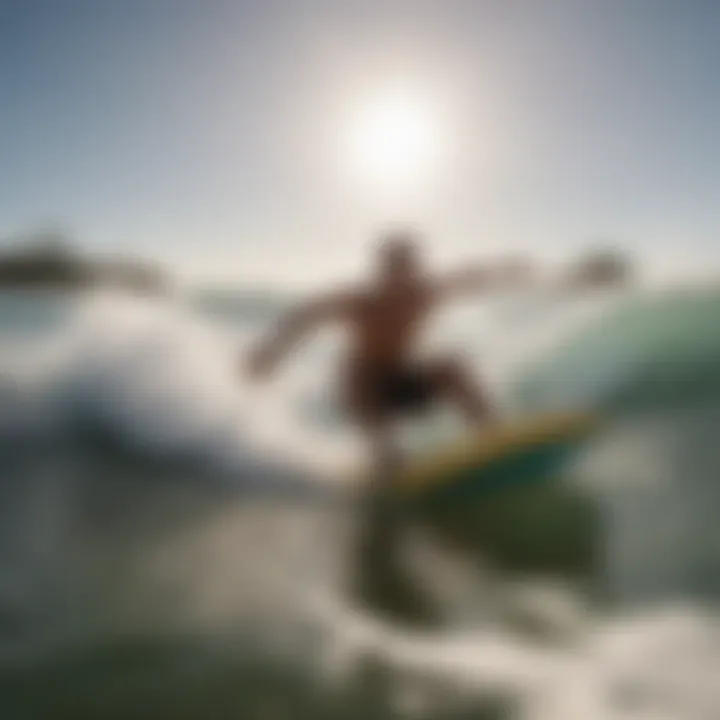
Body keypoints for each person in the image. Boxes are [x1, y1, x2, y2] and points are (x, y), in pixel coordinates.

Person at [246, 230, 531, 480]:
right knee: (358, 374)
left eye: (406, 267)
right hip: (365, 391)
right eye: (393, 269)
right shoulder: (360, 300)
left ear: (415, 268)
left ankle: (493, 442)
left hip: (401, 381)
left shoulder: (424, 292)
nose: (399, 277)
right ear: (382, 271)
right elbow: (305, 315)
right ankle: (386, 457)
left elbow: (470, 278)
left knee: (451, 365)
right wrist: (269, 354)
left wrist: (508, 271)